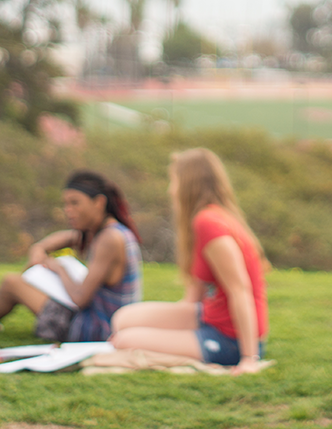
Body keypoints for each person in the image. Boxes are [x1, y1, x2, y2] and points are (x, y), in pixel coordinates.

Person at [110, 148, 269, 374]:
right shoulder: (209, 218)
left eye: (173, 182)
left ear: (187, 184)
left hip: (229, 338)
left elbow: (241, 290)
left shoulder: (209, 223)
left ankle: (237, 353)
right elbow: (193, 297)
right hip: (208, 316)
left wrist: (249, 359)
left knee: (124, 339)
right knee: (122, 319)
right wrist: (168, 327)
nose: (170, 190)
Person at [0, 170, 142, 342]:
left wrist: (59, 269)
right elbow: (63, 239)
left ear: (99, 202)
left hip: (95, 330)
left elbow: (80, 299)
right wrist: (38, 250)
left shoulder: (109, 239)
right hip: (107, 324)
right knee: (16, 281)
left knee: (11, 283)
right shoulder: (111, 231)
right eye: (65, 204)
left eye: (75, 203)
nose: (68, 210)